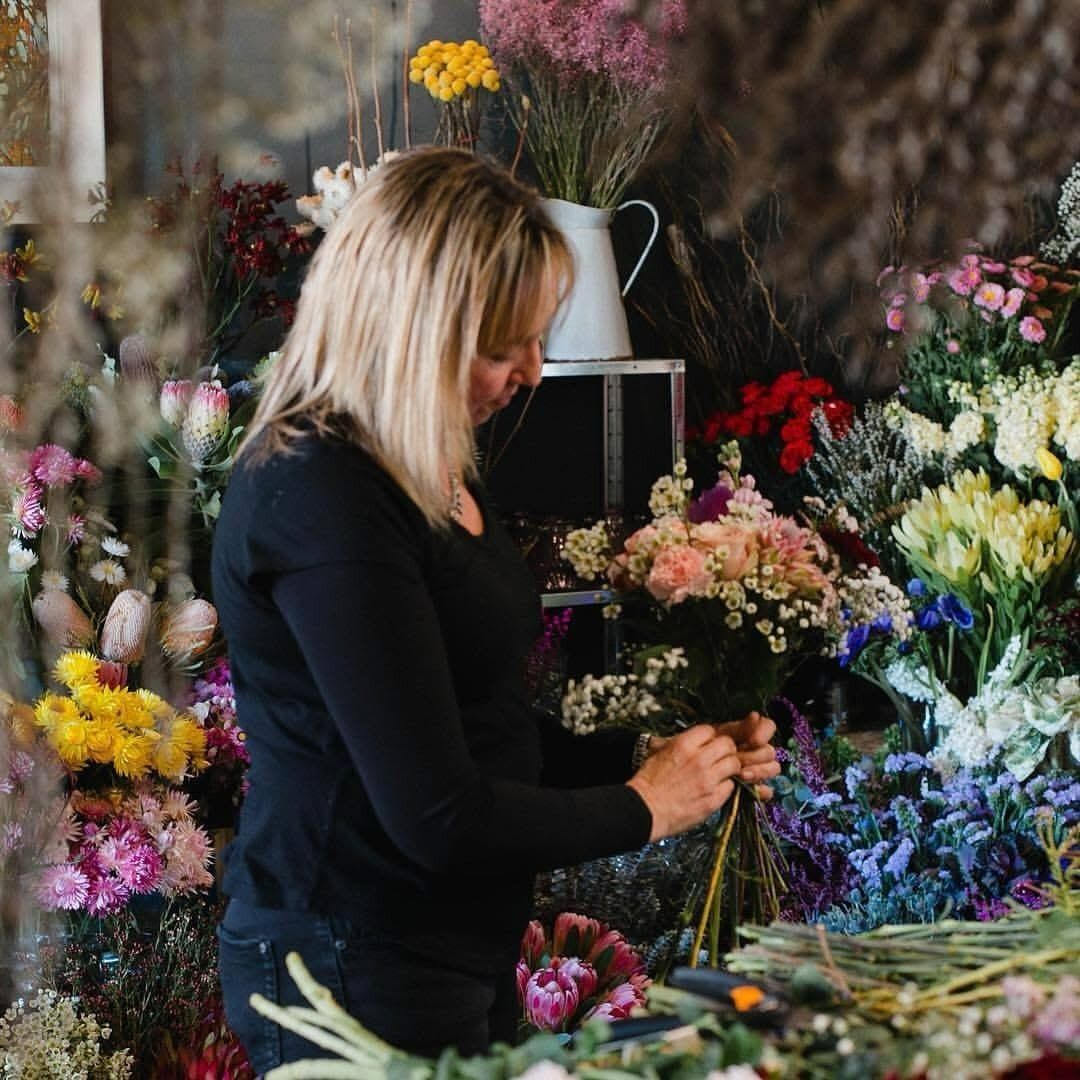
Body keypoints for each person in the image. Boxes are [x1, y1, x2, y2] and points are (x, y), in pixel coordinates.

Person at [212, 146, 779, 1071]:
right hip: (347, 956)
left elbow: (479, 725)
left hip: (437, 949)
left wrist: (660, 758)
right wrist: (645, 808)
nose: (531, 372)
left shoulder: (421, 468)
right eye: (500, 344)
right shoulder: (320, 494)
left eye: (538, 336)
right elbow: (438, 813)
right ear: (409, 326)